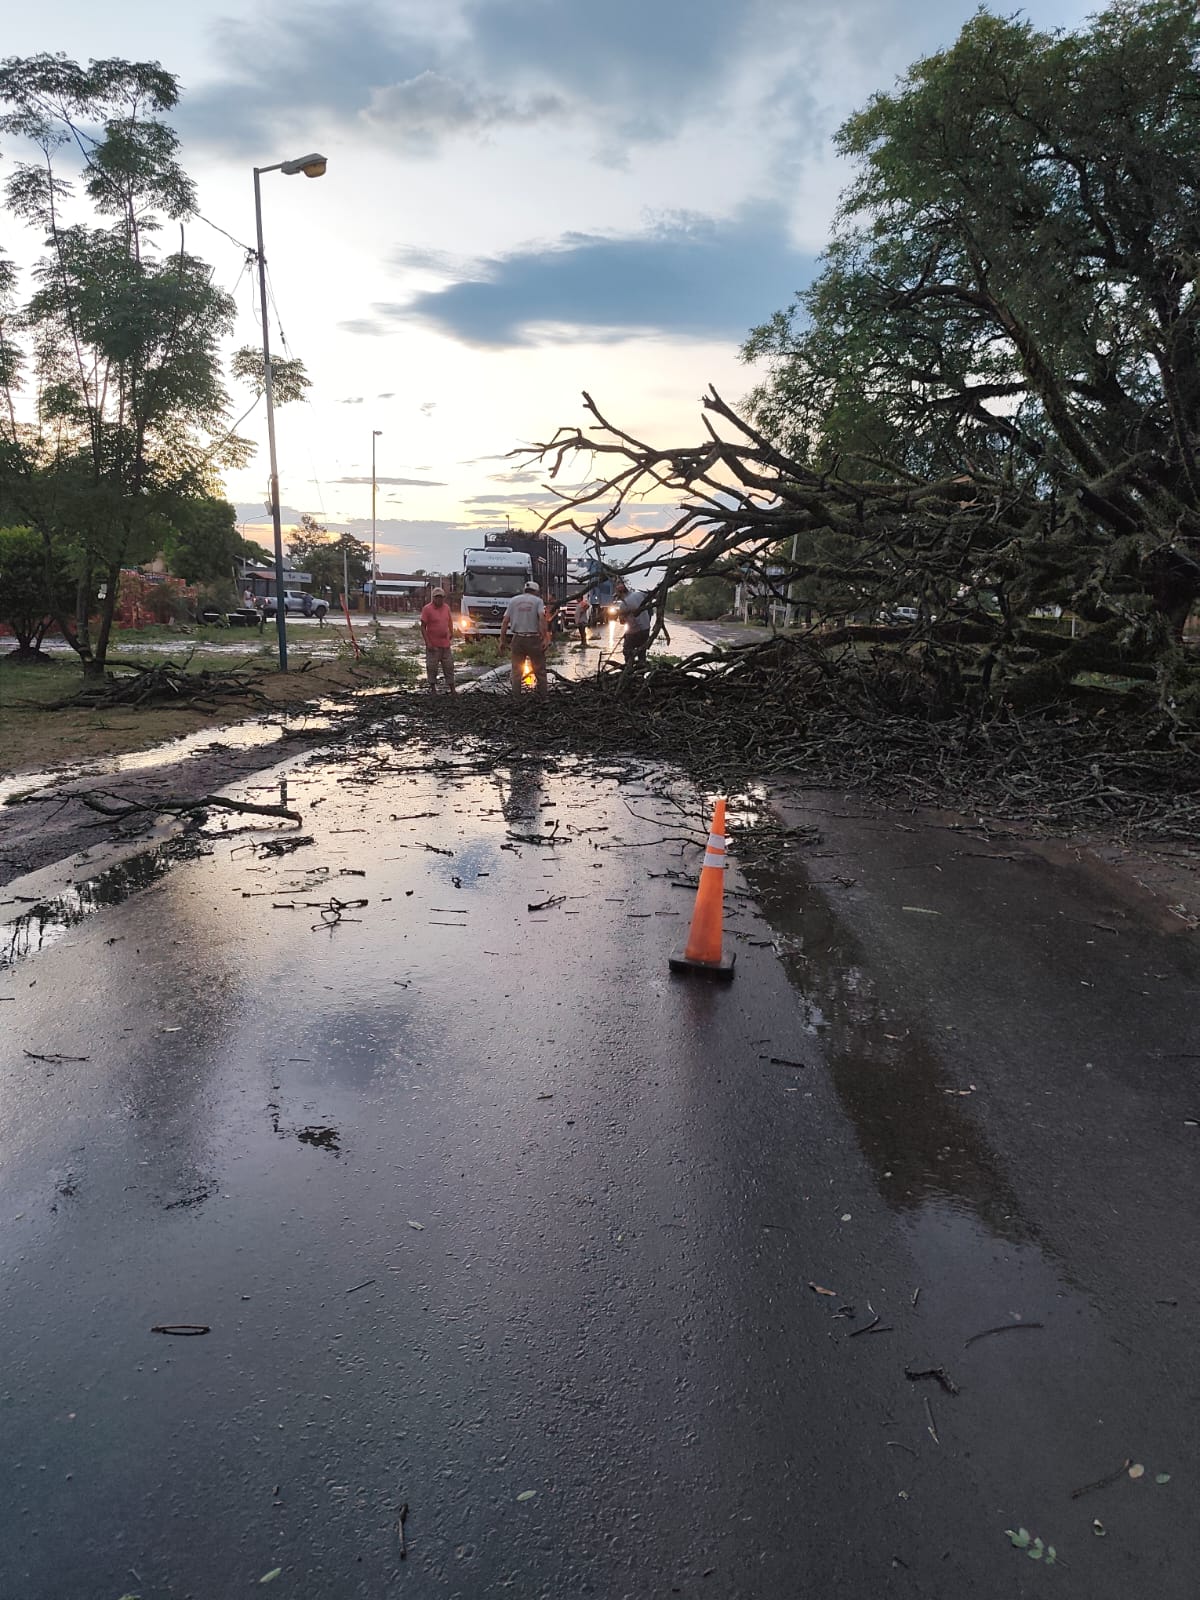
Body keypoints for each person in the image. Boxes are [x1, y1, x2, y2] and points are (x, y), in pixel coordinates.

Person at [499, 579, 549, 698]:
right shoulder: (538, 601)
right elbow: (542, 618)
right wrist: (545, 637)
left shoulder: (513, 601)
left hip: (517, 639)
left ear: (524, 590)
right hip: (533, 639)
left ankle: (516, 698)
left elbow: (505, 621)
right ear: (536, 591)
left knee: (516, 672)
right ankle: (544, 698)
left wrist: (502, 640)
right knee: (540, 671)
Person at [419, 587, 456, 695]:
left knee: (449, 666)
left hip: (445, 644)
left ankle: (452, 689)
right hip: (433, 645)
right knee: (432, 667)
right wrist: (428, 643)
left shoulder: (446, 608)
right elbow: (423, 627)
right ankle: (433, 689)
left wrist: (451, 632)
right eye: (437, 598)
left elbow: (449, 621)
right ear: (433, 598)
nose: (439, 600)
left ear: (444, 598)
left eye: (441, 597)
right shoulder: (427, 609)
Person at [614, 577, 653, 666]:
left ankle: (629, 669)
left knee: (627, 651)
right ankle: (641, 670)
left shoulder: (623, 605)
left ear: (619, 593)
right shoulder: (639, 594)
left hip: (634, 632)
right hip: (646, 630)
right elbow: (650, 601)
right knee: (642, 653)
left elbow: (622, 622)